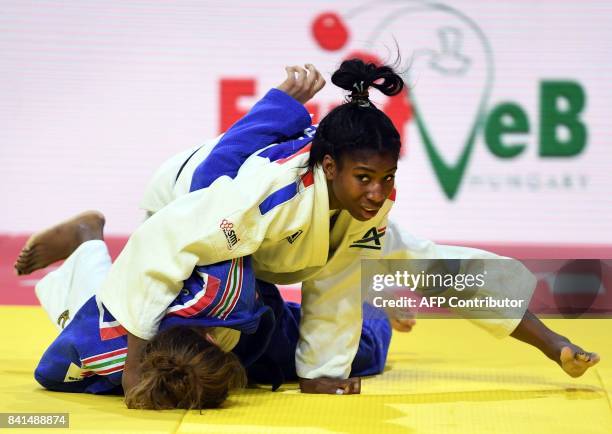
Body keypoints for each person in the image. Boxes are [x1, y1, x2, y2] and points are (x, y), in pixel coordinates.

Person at [17, 60, 599, 396]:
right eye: (365, 178)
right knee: (163, 329)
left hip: (263, 234)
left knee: (408, 277)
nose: (378, 193)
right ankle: (91, 242)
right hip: (188, 201)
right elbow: (158, 246)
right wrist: (139, 367)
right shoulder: (262, 199)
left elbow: (430, 276)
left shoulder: (369, 209)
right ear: (329, 168)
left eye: (387, 178)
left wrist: (319, 376)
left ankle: (387, 311)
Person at [26, 211, 392, 407]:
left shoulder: (223, 291)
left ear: (215, 343)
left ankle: (375, 307)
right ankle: (87, 241)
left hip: (223, 266)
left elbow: (226, 230)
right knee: (91, 311)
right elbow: (49, 374)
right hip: (136, 305)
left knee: (360, 352)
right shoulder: (109, 351)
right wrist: (137, 384)